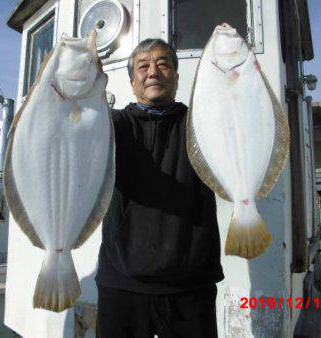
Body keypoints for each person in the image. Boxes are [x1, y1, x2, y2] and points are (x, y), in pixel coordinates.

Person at [95, 38, 224, 338]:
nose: (153, 71)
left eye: (163, 64)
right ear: (132, 81)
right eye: (143, 66)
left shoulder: (202, 124)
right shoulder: (112, 125)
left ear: (177, 78)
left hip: (192, 284)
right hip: (121, 281)